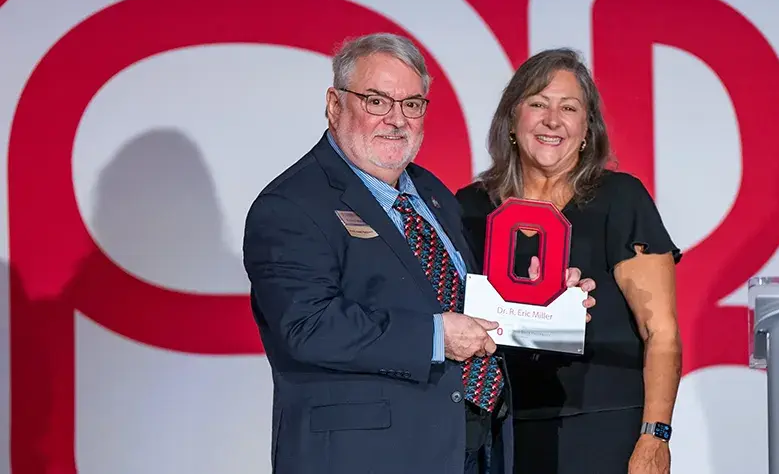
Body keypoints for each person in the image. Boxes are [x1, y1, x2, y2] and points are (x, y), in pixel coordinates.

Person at [241, 33, 596, 474]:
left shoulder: (431, 192)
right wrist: (434, 337)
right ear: (335, 104)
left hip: (471, 447)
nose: (396, 119)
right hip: (365, 457)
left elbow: (470, 310)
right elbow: (308, 327)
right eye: (376, 101)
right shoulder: (291, 205)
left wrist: (542, 305)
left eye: (411, 103)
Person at [455, 48, 683, 474]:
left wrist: (655, 436)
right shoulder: (468, 208)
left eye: (568, 108)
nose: (552, 120)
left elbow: (662, 332)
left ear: (585, 129)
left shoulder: (621, 199)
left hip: (603, 426)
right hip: (499, 430)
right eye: (538, 104)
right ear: (511, 120)